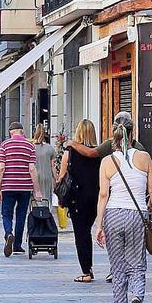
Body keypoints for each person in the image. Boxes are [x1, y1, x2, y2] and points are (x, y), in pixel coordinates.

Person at [95, 124, 152, 303]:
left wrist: (99, 225)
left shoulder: (107, 161)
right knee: (137, 265)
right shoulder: (144, 157)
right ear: (132, 135)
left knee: (117, 269)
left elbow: (103, 195)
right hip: (136, 215)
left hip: (113, 215)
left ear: (112, 140)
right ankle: (137, 296)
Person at [57, 119, 102, 283]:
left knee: (81, 234)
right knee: (88, 230)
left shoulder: (69, 153)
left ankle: (86, 270)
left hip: (77, 199)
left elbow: (62, 177)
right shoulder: (98, 154)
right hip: (95, 198)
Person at [0, 122, 42, 256]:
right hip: (25, 186)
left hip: (8, 186)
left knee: (6, 214)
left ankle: (8, 233)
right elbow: (32, 168)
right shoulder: (30, 145)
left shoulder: (5, 145)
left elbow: (1, 168)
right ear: (22, 132)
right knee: (21, 215)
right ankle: (17, 245)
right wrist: (37, 189)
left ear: (11, 132)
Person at [65, 112, 145, 160]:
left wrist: (73, 143)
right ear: (131, 129)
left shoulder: (109, 144)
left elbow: (91, 153)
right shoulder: (138, 147)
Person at [32, 124, 57, 206]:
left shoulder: (31, 148)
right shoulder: (50, 148)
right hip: (47, 176)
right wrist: (56, 179)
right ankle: (45, 215)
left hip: (33, 176)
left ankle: (36, 215)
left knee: (34, 199)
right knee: (46, 198)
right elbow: (53, 166)